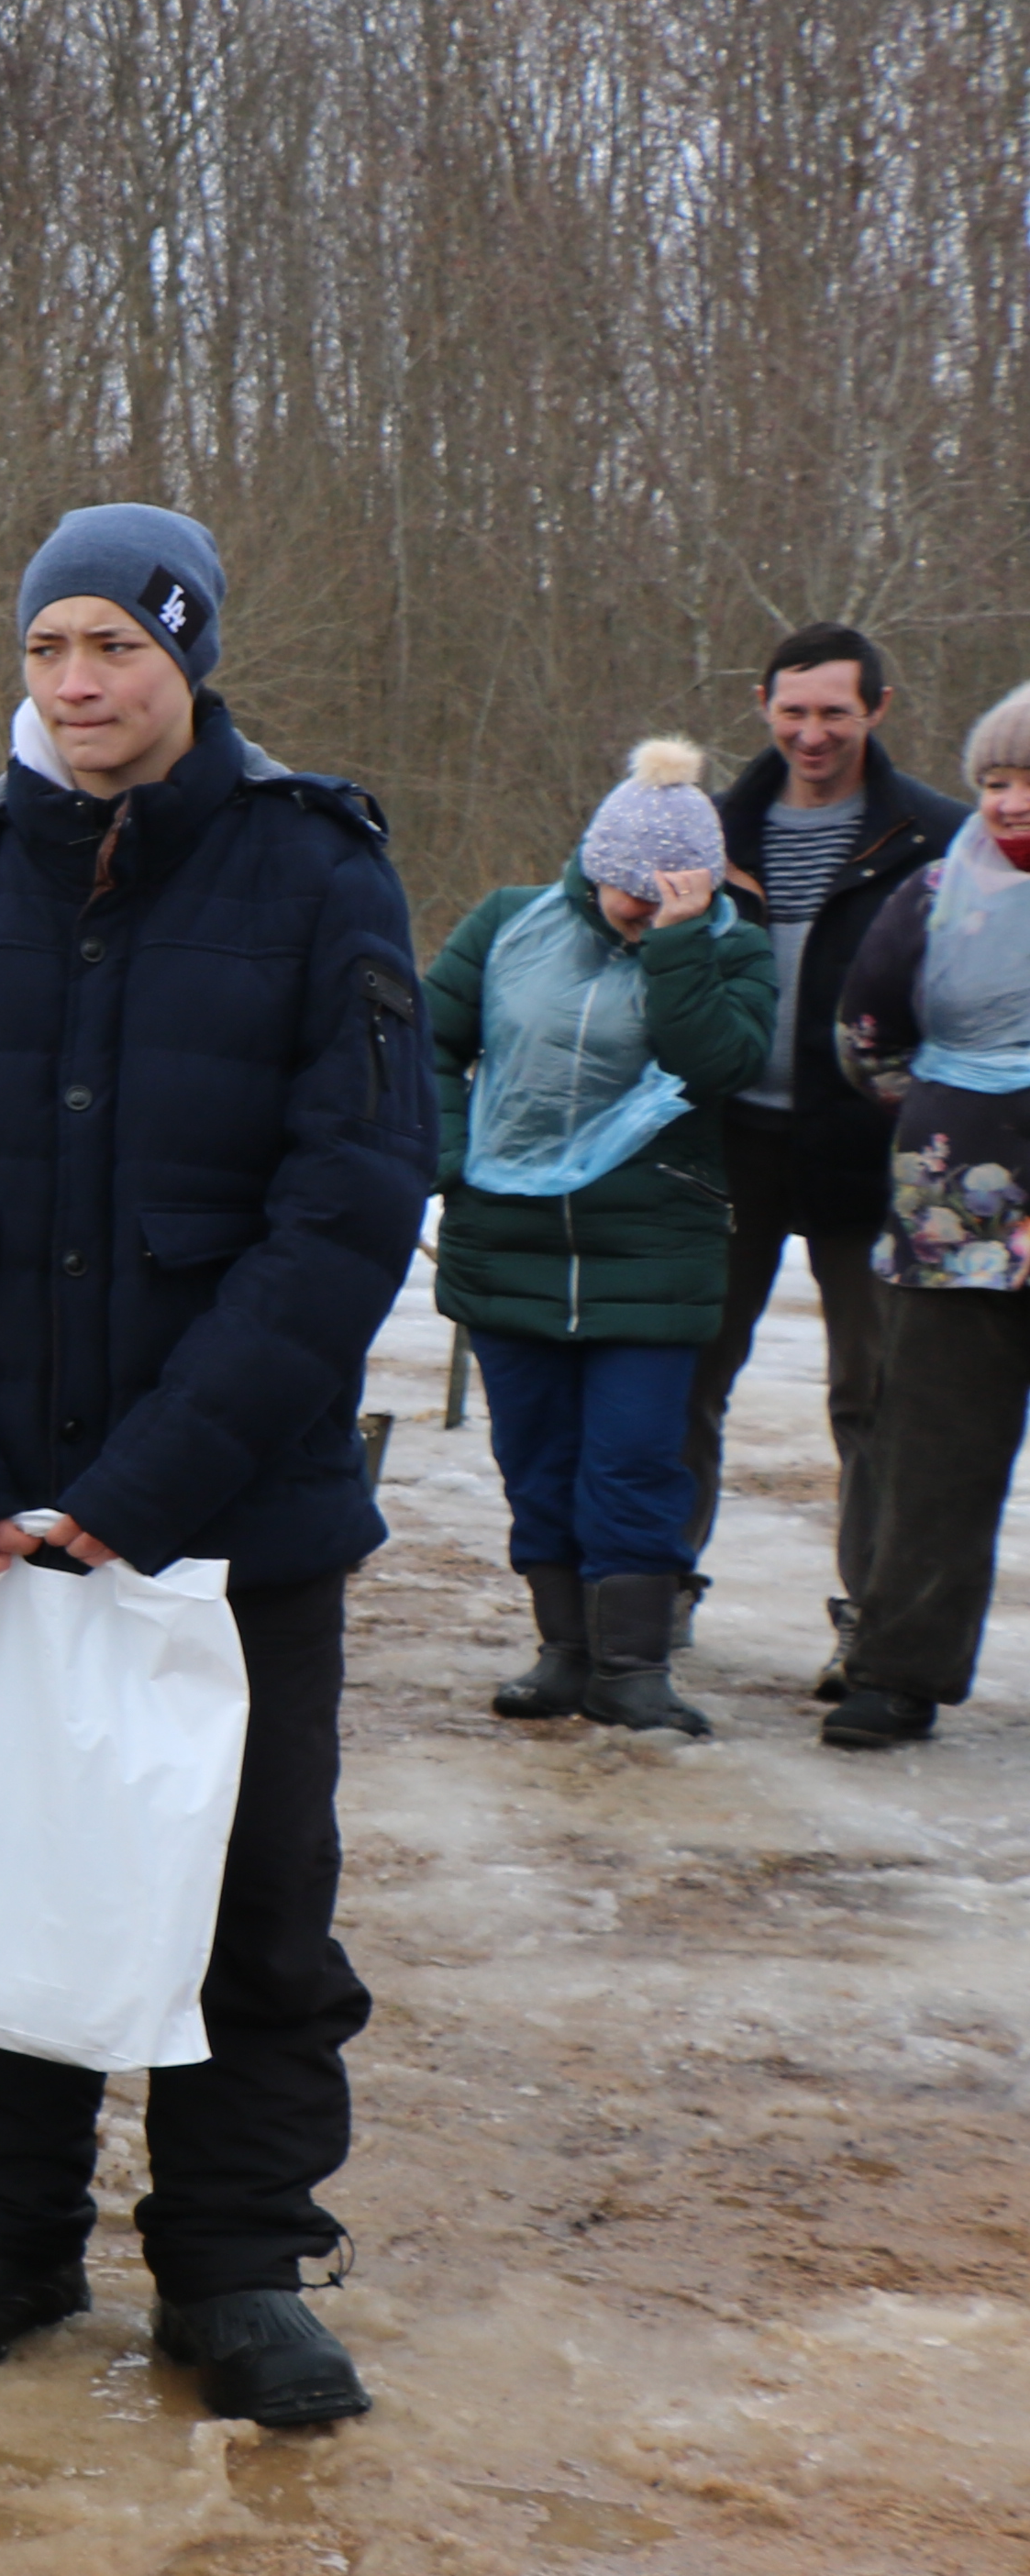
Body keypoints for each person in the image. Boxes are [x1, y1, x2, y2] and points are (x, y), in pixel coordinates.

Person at [0, 504, 426, 2430]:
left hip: (228, 1508)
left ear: (190, 655)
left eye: (118, 649)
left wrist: (152, 1480)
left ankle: (238, 2262)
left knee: (252, 1893)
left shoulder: (314, 870)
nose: (77, 686)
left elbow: (348, 1204)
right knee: (9, 1868)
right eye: (50, 648)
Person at [423, 738, 769, 1743]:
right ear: (589, 858)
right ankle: (563, 1653)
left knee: (632, 1459)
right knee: (535, 1456)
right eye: (617, 882)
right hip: (507, 1237)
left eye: (654, 888)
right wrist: (449, 1156)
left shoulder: (733, 947)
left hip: (653, 1245)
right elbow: (426, 1042)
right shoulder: (504, 923)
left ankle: (632, 1665)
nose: (630, 902)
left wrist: (679, 939)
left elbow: (715, 1062)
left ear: (695, 883)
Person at [689, 625, 965, 1685]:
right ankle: (653, 1598)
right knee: (688, 1381)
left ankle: (875, 1621)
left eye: (835, 713)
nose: (812, 733)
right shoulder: (711, 829)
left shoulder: (936, 834)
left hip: (875, 1151)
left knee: (876, 1399)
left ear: (878, 710)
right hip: (726, 1144)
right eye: (793, 711)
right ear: (762, 703)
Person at [817, 685, 1030, 1751]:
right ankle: (898, 1673)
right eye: (996, 781)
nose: (1011, 801)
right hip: (953, 1226)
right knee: (932, 1457)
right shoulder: (932, 894)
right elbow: (866, 1038)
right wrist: (964, 1119)